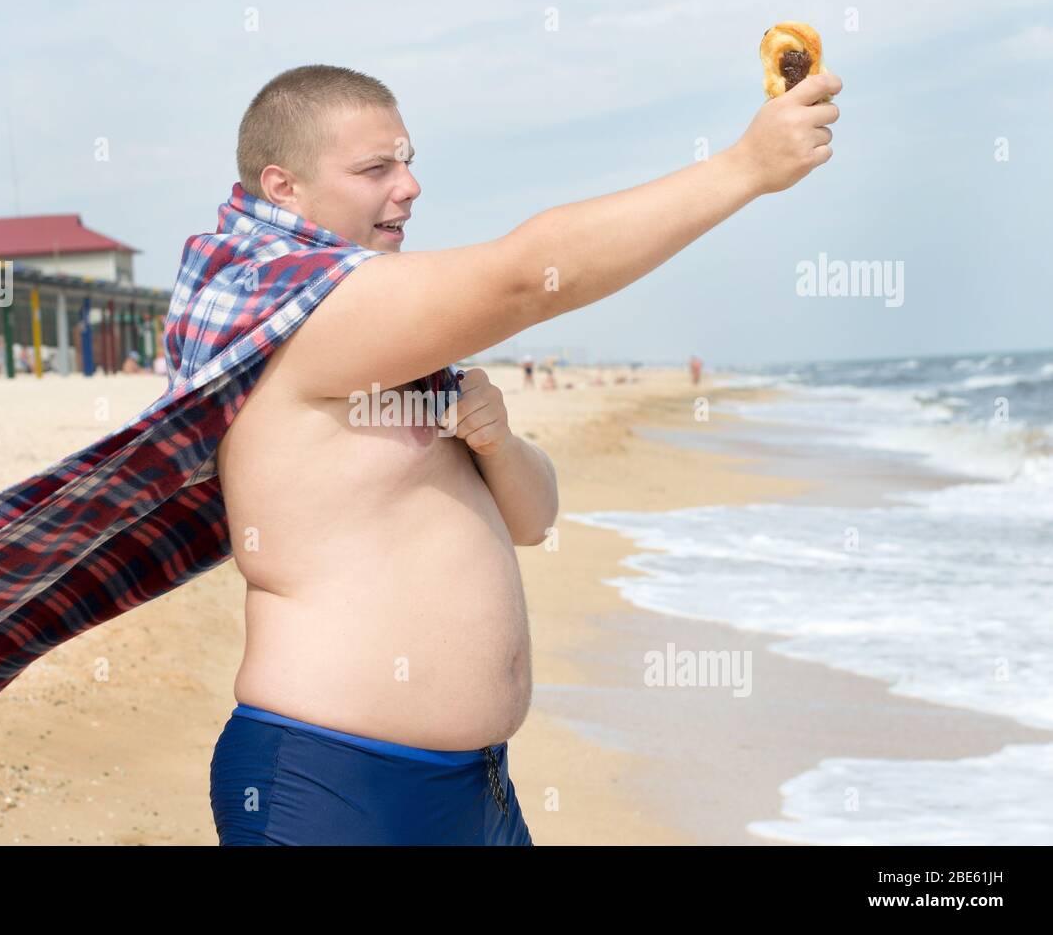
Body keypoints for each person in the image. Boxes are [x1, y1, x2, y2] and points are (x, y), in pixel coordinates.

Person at [207, 63, 840, 845]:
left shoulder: (390, 342)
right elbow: (530, 278)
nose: (407, 187)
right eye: (375, 169)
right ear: (283, 188)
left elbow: (535, 519)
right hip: (333, 782)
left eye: (407, 162)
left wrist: (497, 440)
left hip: (477, 787)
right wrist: (743, 167)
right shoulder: (293, 312)